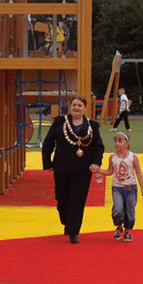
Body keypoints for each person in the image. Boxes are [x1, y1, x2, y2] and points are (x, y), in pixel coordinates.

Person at [42, 95, 105, 244]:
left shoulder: (92, 126)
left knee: (78, 199)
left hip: (83, 169)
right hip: (62, 167)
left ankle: (74, 231)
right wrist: (47, 162)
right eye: (74, 105)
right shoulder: (60, 122)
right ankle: (66, 221)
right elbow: (49, 142)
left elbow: (98, 147)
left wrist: (96, 163)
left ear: (84, 108)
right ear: (70, 107)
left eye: (79, 105)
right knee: (62, 198)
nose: (76, 108)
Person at [97, 132, 143, 242]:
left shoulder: (133, 157)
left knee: (130, 210)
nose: (117, 144)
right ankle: (119, 226)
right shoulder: (113, 157)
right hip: (117, 187)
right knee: (118, 208)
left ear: (126, 144)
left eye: (120, 141)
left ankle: (127, 231)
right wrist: (99, 171)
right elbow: (110, 171)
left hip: (130, 187)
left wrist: (142, 187)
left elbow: (138, 172)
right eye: (115, 141)